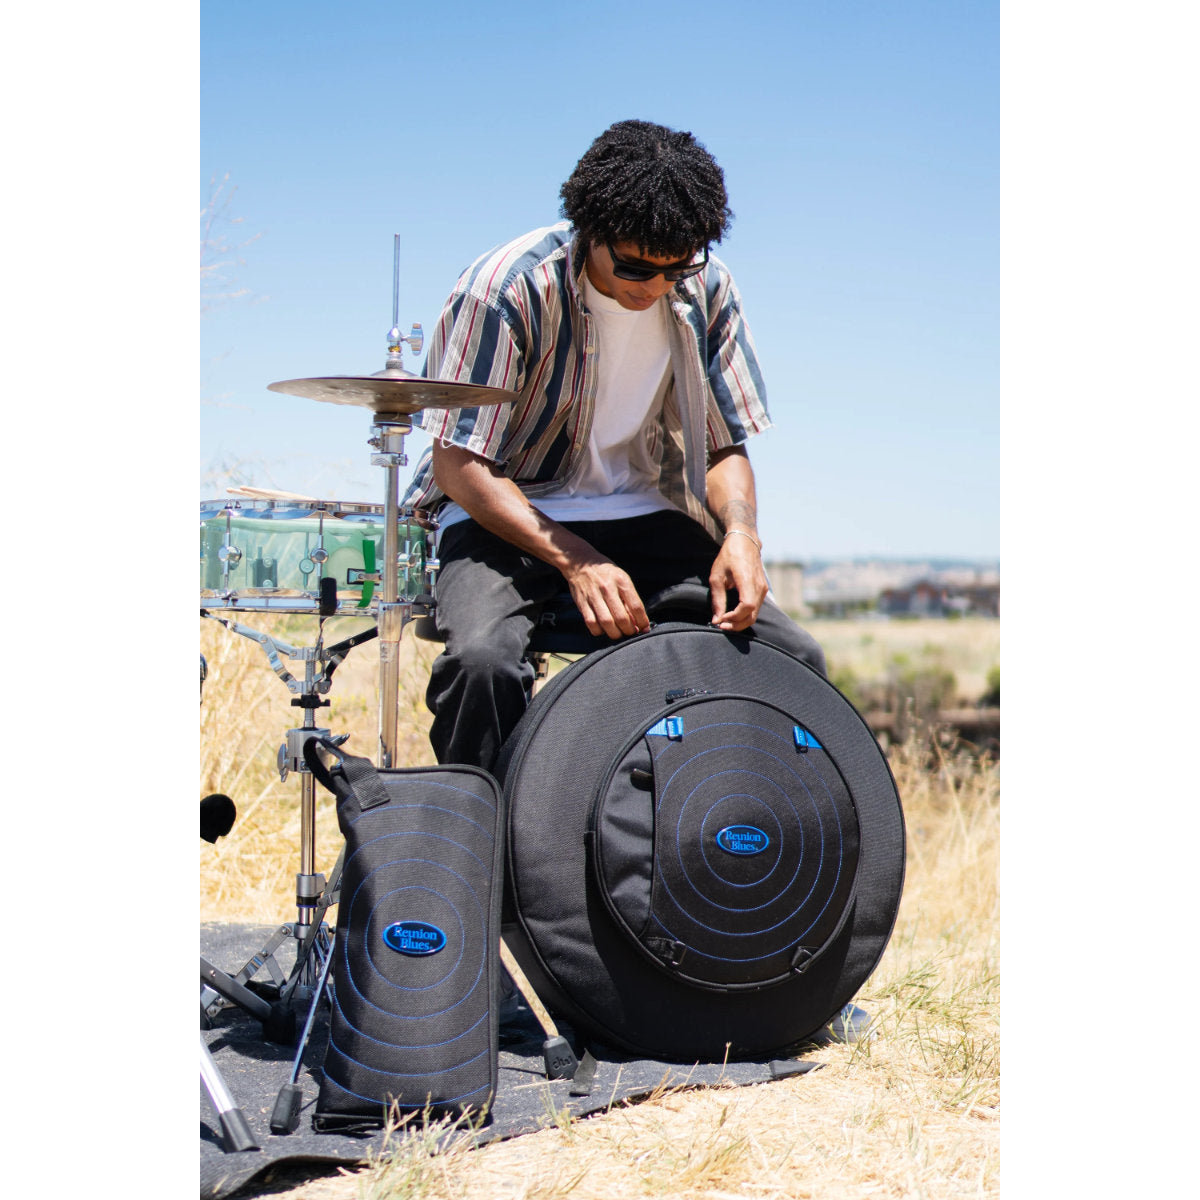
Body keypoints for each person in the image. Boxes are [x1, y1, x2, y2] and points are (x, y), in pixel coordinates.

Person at [402, 119, 826, 770]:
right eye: (633, 266)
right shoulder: (504, 290)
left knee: (792, 658)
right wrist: (579, 562)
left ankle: (739, 823)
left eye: (675, 268)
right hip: (502, 513)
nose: (653, 286)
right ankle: (481, 823)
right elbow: (458, 464)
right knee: (482, 664)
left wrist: (742, 537)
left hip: (643, 514)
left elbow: (724, 447)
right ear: (588, 230)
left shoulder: (708, 287)